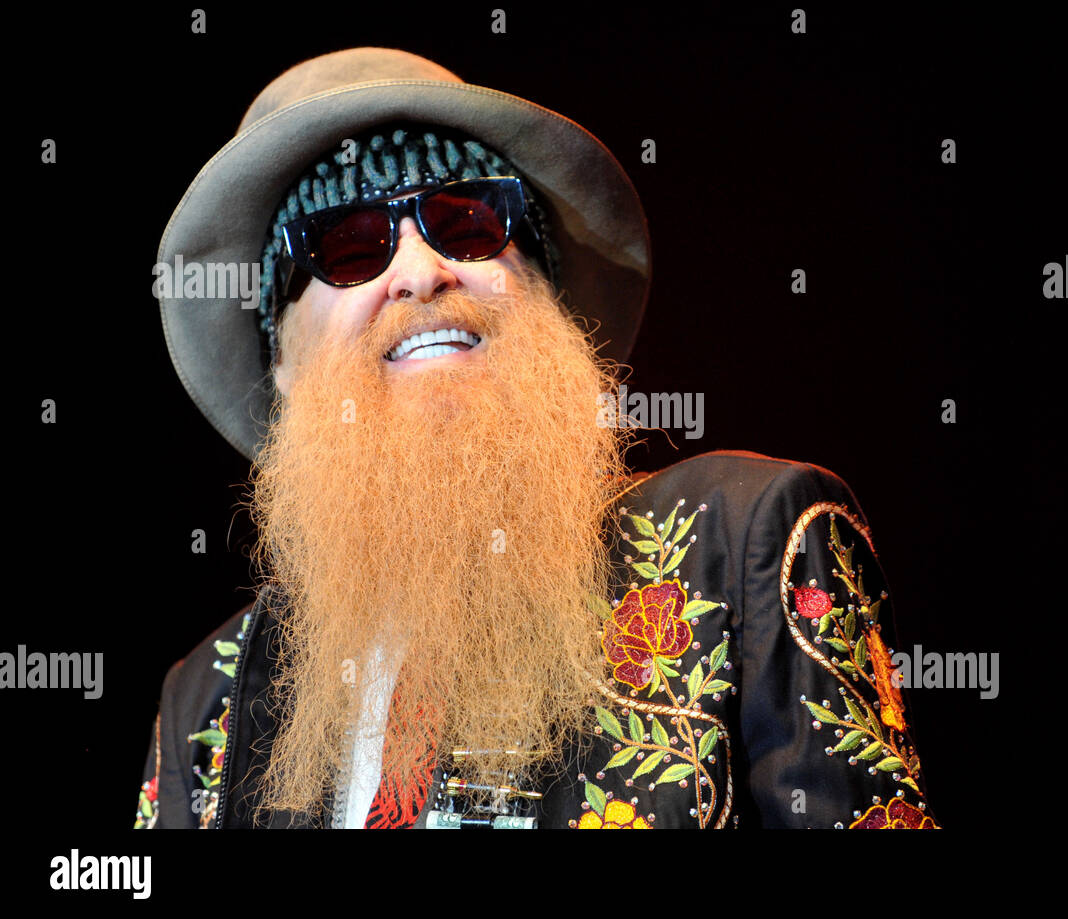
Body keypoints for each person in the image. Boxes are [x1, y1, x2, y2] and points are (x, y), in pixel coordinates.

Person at [137, 47, 939, 830]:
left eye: (471, 222)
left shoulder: (750, 540)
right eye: (350, 244)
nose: (421, 269)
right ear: (282, 357)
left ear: (546, 294)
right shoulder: (205, 698)